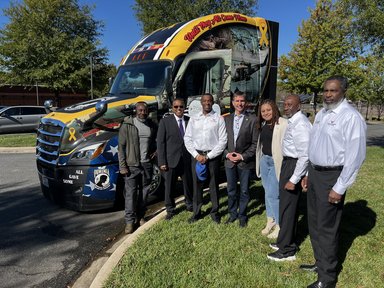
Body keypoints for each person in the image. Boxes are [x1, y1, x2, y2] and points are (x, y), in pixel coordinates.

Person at [301, 76, 366, 288]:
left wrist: (339, 187)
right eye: (326, 90)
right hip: (315, 173)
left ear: (343, 91)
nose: (328, 94)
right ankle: (321, 264)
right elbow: (315, 146)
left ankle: (327, 279)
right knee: (315, 223)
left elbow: (355, 156)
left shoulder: (350, 117)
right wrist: (308, 174)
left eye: (333, 91)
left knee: (327, 227)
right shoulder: (322, 113)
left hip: (332, 176)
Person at [267, 94, 312, 261]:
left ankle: (287, 250)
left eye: (290, 104)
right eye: (285, 104)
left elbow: (305, 155)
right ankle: (283, 241)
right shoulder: (294, 121)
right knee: (285, 207)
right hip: (288, 164)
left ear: (299, 106)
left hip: (293, 166)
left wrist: (294, 179)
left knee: (289, 208)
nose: (286, 107)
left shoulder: (301, 124)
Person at [184, 93, 227, 224]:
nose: (207, 103)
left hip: (212, 157)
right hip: (196, 156)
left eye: (209, 101)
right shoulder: (194, 118)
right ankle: (197, 212)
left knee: (213, 185)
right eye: (205, 101)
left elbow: (223, 141)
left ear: (213, 102)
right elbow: (187, 138)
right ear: (201, 103)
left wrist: (208, 156)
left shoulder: (219, 119)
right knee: (197, 186)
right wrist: (196, 155)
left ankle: (215, 212)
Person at [118, 101, 157, 234]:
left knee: (145, 194)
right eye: (140, 110)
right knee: (131, 194)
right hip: (132, 165)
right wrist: (122, 166)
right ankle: (129, 222)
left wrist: (155, 151)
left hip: (146, 164)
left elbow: (154, 142)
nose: (142, 113)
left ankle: (140, 217)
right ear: (136, 110)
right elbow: (121, 147)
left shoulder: (151, 125)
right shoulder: (128, 125)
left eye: (144, 110)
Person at [224, 91, 258, 227]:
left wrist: (242, 156)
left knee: (244, 190)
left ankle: (242, 215)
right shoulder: (226, 119)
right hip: (229, 161)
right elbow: (222, 141)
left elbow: (255, 143)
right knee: (231, 190)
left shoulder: (253, 119)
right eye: (237, 101)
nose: (239, 103)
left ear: (246, 103)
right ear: (232, 103)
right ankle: (232, 214)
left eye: (242, 101)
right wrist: (227, 154)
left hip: (245, 162)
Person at [256, 99, 288, 239]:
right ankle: (271, 220)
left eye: (268, 110)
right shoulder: (263, 124)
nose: (266, 113)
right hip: (265, 161)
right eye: (263, 111)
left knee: (273, 194)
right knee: (267, 191)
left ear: (274, 109)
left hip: (276, 162)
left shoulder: (283, 124)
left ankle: (280, 224)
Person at [157, 98, 193, 220]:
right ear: (172, 108)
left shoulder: (189, 121)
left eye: (181, 107)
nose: (179, 109)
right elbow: (160, 143)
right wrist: (162, 162)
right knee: (169, 187)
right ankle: (170, 209)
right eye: (176, 107)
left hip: (186, 159)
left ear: (184, 107)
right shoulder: (165, 122)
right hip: (170, 160)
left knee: (188, 184)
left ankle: (189, 204)